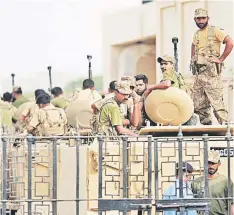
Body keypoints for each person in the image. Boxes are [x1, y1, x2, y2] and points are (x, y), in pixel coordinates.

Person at [190, 8, 233, 125]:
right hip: (199, 73)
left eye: (203, 18)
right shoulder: (197, 33)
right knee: (199, 104)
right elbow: (193, 45)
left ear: (207, 18)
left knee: (217, 102)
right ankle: (206, 130)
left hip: (212, 74)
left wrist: (221, 59)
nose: (201, 21)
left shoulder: (215, 31)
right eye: (198, 18)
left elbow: (230, 42)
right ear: (195, 19)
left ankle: (228, 130)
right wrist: (193, 59)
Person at [191, 150, 234, 215]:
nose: (211, 166)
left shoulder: (225, 181)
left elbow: (232, 204)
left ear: (219, 164)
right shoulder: (196, 182)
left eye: (213, 163)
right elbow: (191, 205)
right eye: (209, 163)